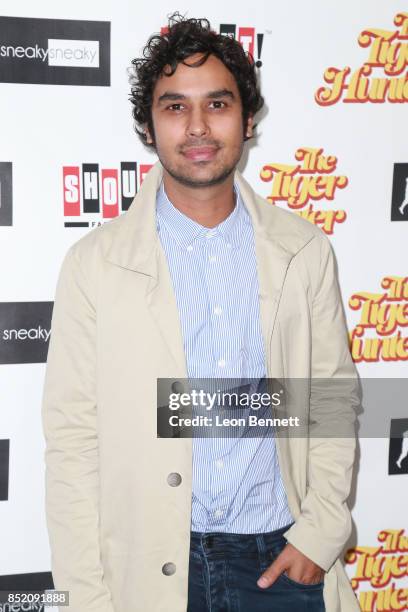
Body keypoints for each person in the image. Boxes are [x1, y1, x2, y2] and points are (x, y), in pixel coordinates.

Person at [42, 13, 360, 612]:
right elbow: (73, 444)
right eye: (173, 107)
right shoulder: (94, 264)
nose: (197, 127)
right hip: (148, 569)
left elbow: (332, 399)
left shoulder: (304, 250)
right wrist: (86, 595)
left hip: (281, 563)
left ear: (246, 118)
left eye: (217, 104)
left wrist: (319, 535)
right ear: (147, 124)